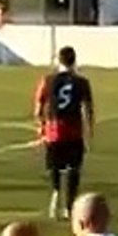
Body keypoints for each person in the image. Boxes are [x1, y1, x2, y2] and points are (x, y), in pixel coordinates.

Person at [34, 46, 95, 220]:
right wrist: (89, 131)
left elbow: (39, 107)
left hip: (53, 131)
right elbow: (88, 108)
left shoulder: (47, 80)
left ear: (58, 61)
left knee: (55, 167)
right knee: (73, 169)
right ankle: (69, 206)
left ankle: (55, 193)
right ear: (74, 61)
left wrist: (41, 126)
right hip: (74, 131)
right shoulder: (82, 82)